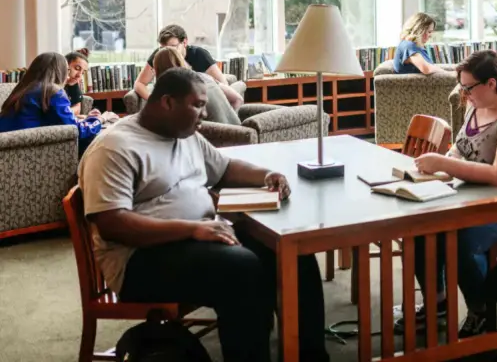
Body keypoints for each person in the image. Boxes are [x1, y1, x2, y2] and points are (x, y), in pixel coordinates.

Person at [78, 68, 328, 362]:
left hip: (197, 237)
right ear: (167, 102)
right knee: (242, 270)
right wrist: (192, 230)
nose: (204, 112)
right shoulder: (114, 148)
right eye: (197, 104)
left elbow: (224, 168)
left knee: (291, 249)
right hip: (138, 261)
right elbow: (111, 223)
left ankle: (310, 356)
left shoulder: (185, 135)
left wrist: (267, 174)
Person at [398, 50, 497, 337]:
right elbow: (461, 150)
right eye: (462, 85)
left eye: (468, 87)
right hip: (484, 197)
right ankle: (437, 305)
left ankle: (480, 311)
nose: (464, 92)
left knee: (462, 238)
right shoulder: (477, 104)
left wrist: (445, 164)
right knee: (421, 225)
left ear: (492, 84)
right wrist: (437, 170)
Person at [0, 52, 102, 156]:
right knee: (95, 136)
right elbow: (76, 130)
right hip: (29, 152)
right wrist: (98, 120)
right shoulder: (53, 91)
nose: (67, 76)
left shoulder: (22, 89)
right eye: (66, 70)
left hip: (8, 150)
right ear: (59, 71)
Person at [132, 25, 243, 110]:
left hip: (204, 99)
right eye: (162, 48)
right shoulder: (160, 55)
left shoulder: (200, 55)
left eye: (172, 47)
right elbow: (139, 83)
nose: (167, 52)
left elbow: (222, 85)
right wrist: (154, 100)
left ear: (184, 42)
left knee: (236, 91)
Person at [152, 47, 240, 125]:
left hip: (218, 139)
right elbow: (237, 99)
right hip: (240, 133)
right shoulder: (204, 76)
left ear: (157, 71)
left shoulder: (178, 91)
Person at [65, 48, 100, 118]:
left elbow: (77, 109)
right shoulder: (53, 86)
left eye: (83, 73)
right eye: (77, 68)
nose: (79, 75)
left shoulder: (73, 84)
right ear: (65, 65)